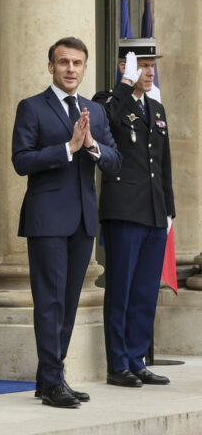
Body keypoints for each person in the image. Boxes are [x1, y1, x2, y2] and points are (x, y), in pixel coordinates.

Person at [11, 36, 120, 408]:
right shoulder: (32, 108)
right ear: (51, 67)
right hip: (47, 219)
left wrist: (90, 145)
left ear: (85, 68)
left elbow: (115, 160)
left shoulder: (96, 111)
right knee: (50, 302)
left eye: (77, 63)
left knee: (69, 301)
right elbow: (21, 160)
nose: (70, 69)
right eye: (63, 63)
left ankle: (50, 378)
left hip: (83, 221)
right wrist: (67, 149)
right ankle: (54, 380)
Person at [92, 39, 174, 388]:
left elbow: (164, 164)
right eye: (141, 64)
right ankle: (118, 364)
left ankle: (137, 359)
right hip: (124, 211)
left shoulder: (156, 108)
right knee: (122, 289)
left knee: (144, 291)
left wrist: (169, 209)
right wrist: (123, 85)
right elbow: (105, 123)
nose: (148, 70)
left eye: (152, 64)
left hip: (154, 212)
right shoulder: (107, 101)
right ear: (125, 67)